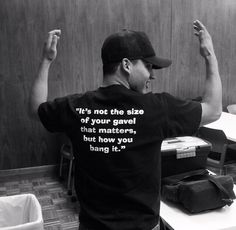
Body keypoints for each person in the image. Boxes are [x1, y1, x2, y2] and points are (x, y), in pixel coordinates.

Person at [29, 20, 222, 230]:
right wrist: (209, 55)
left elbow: (35, 109)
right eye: (147, 66)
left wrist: (46, 60)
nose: (151, 75)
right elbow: (213, 109)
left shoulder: (76, 107)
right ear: (126, 65)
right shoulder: (157, 108)